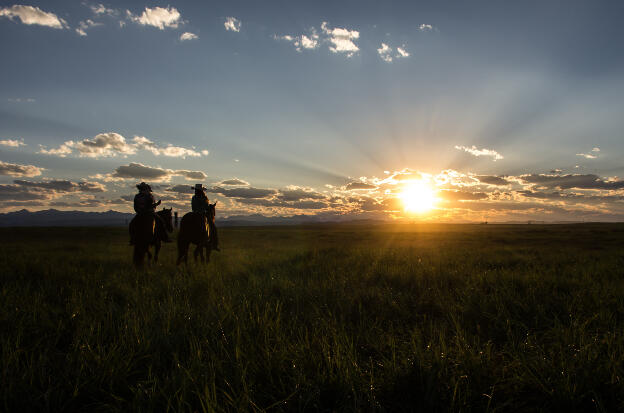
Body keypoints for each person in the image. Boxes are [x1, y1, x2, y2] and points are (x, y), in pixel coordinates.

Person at [191, 184, 220, 251]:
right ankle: (215, 244)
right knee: (213, 227)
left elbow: (193, 207)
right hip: (202, 214)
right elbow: (206, 207)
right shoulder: (204, 198)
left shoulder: (194, 197)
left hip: (194, 213)